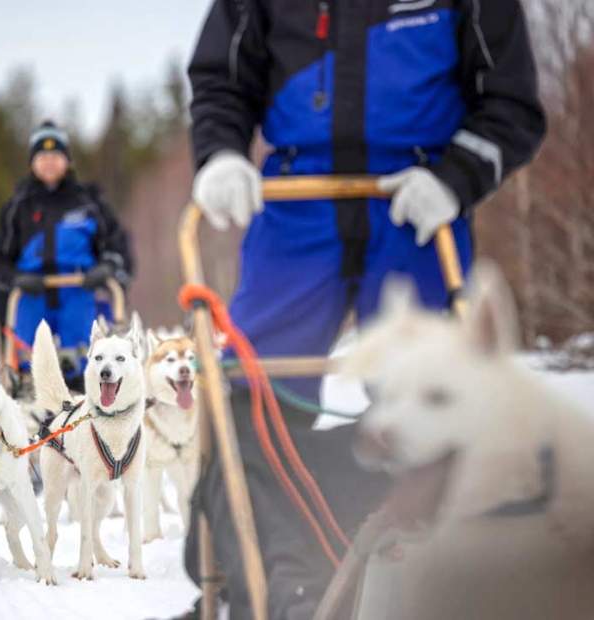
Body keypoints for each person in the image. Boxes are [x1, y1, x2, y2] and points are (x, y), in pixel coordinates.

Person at [183, 1, 546, 618]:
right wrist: (219, 153)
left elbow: (510, 101)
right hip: (296, 198)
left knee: (433, 398)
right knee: (248, 393)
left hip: (416, 198)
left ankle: (407, 584)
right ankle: (279, 589)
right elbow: (222, 78)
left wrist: (457, 178)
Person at [0, 121, 133, 394]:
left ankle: (85, 398)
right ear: (33, 162)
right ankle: (29, 405)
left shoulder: (88, 202)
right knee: (30, 368)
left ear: (67, 160)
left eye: (55, 156)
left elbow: (116, 243)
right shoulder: (18, 206)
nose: (49, 162)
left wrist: (106, 267)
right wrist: (16, 278)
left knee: (83, 360)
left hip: (79, 289)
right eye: (42, 156)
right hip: (32, 292)